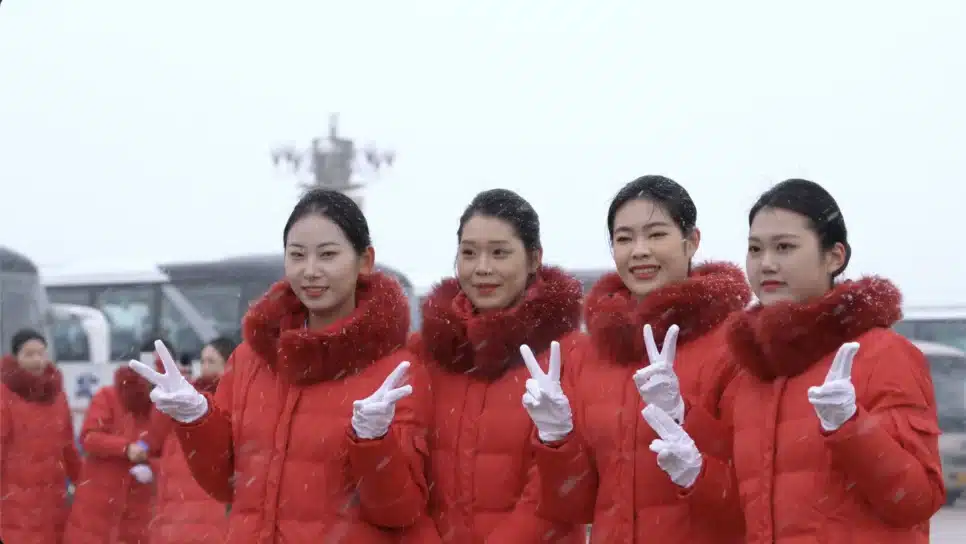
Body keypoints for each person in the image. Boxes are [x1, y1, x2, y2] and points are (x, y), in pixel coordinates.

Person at [641, 178, 945, 543]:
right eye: (755, 249)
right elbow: (741, 516)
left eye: (784, 247)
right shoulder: (750, 371)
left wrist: (850, 427)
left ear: (835, 256)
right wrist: (694, 468)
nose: (766, 263)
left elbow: (916, 500)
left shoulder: (885, 355)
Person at [130, 188, 438, 543]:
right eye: (297, 255)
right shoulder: (250, 360)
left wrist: (374, 443)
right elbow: (225, 485)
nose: (310, 271)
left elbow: (398, 511)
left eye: (328, 255)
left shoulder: (397, 372)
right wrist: (196, 420)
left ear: (365, 261)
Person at [522, 176, 751, 542]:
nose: (639, 251)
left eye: (656, 235)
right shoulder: (592, 354)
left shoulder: (734, 345)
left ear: (692, 241)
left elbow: (752, 501)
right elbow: (575, 505)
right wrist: (557, 440)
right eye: (624, 239)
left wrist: (686, 424)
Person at [409, 189, 586, 543]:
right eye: (469, 253)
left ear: (534, 259)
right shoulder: (424, 351)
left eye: (499, 253)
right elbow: (406, 476)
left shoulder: (569, 353)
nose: (482, 268)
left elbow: (562, 490)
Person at [64, 340, 165, 543]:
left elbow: (173, 456)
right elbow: (89, 438)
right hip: (98, 503)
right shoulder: (108, 397)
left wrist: (153, 467)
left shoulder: (164, 408)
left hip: (140, 510)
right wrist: (125, 448)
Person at [149, 336, 237, 544]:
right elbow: (156, 438)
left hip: (207, 510)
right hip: (174, 507)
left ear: (228, 366)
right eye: (202, 360)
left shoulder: (231, 400)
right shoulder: (187, 396)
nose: (205, 367)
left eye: (211, 361)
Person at [1, 329, 81, 544]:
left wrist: (82, 482)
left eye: (41, 354)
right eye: (29, 354)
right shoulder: (5, 394)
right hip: (15, 500)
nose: (37, 360)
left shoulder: (57, 395)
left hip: (53, 496)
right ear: (16, 358)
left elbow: (68, 447)